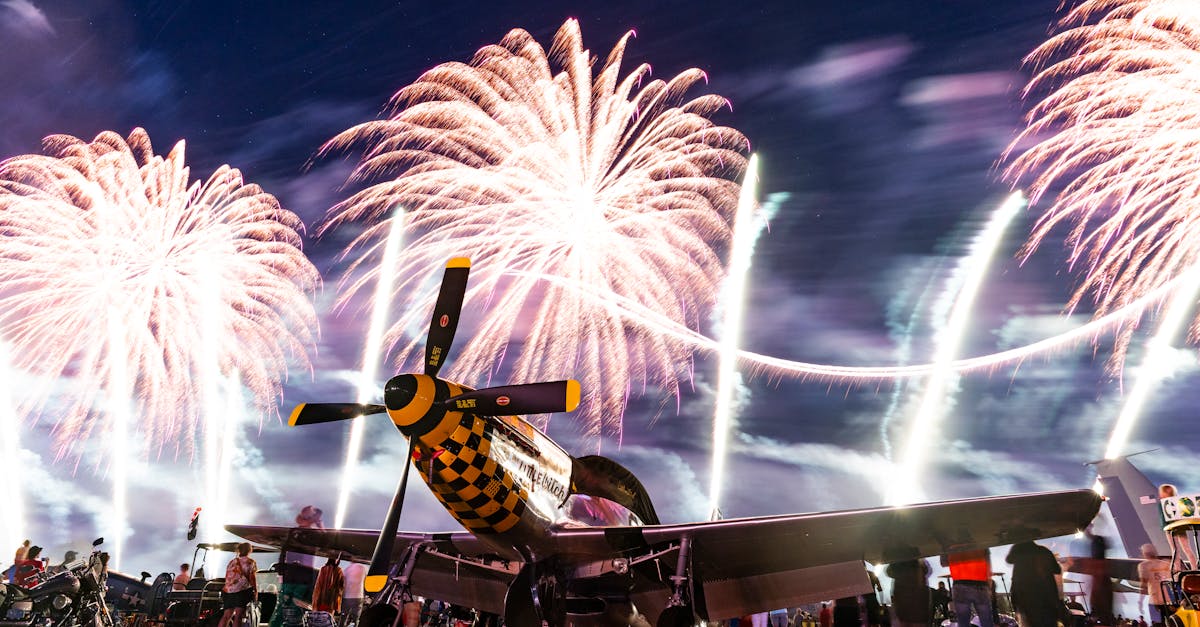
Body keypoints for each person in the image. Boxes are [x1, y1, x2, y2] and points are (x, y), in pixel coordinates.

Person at [270, 506, 325, 627]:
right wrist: (321, 526)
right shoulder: (313, 534)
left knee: (282, 607)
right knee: (296, 608)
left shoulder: (293, 532)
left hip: (290, 575)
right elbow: (327, 542)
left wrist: (281, 572)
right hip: (303, 576)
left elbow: (283, 552)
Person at [1006, 541, 1062, 627]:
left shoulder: (1019, 553)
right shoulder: (1044, 551)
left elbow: (1009, 559)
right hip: (1047, 598)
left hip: (1026, 599)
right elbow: (1057, 569)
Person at [943, 549, 994, 627]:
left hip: (960, 583)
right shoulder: (980, 541)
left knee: (963, 622)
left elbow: (943, 563)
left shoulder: (949, 544)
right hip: (980, 583)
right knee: (986, 620)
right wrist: (989, 583)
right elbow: (988, 562)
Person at [217, 542, 258, 627]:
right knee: (238, 616)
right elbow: (252, 578)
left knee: (226, 615)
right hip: (241, 591)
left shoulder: (232, 562)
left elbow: (227, 576)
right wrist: (255, 590)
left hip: (228, 591)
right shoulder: (251, 562)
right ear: (250, 550)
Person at [1159, 484, 1198, 569]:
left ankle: (1181, 569)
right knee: (1184, 549)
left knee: (1177, 550)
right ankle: (1192, 568)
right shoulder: (1176, 502)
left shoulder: (1164, 503)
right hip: (1177, 527)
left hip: (1173, 528)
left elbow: (1163, 519)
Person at [886, 559, 932, 627]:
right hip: (918, 605)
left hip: (904, 604)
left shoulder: (897, 564)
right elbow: (927, 570)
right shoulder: (919, 564)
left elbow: (889, 572)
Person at [1138, 543, 1172, 627]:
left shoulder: (1143, 566)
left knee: (1157, 624)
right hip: (1169, 600)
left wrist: (1140, 601)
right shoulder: (1166, 563)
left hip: (1154, 601)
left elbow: (1143, 585)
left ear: (1144, 553)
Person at [340, 561, 365, 627]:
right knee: (356, 618)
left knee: (344, 616)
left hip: (348, 597)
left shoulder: (347, 569)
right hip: (359, 597)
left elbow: (343, 582)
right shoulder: (363, 568)